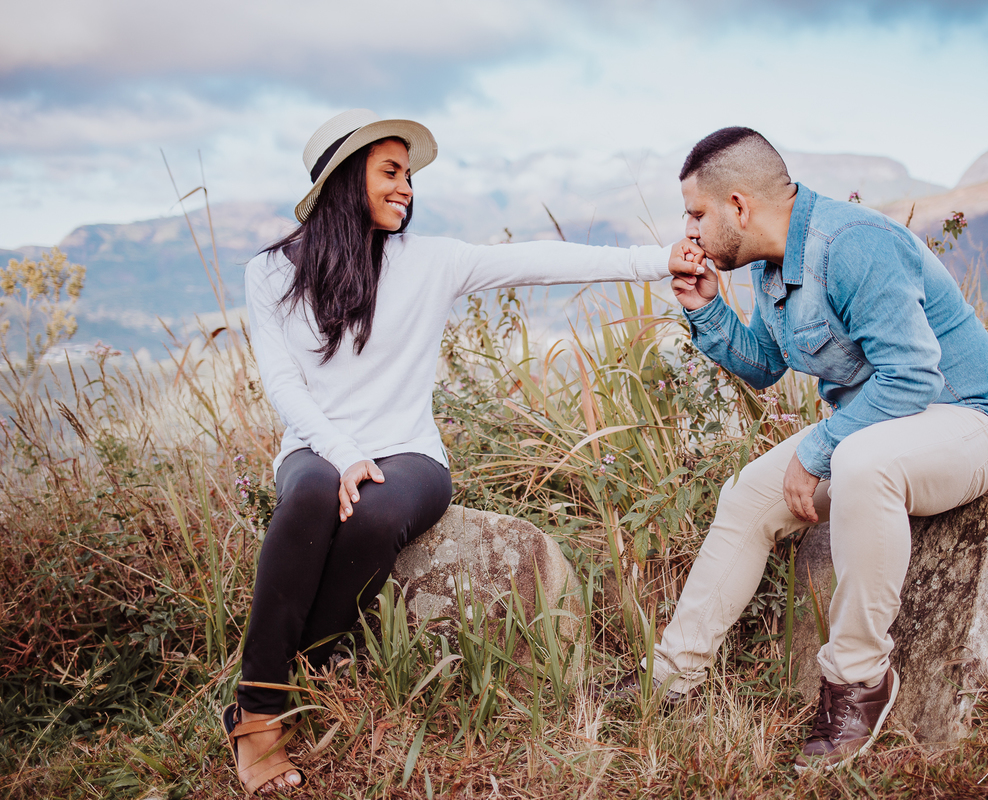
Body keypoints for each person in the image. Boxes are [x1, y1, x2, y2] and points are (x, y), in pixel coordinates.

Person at [226, 108, 698, 794]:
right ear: (341, 179)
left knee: (375, 518)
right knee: (306, 493)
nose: (406, 189)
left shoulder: (430, 261)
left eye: (409, 175)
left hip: (410, 454)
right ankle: (260, 713)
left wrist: (661, 260)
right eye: (390, 172)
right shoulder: (270, 273)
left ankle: (312, 667)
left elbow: (540, 261)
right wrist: (341, 453)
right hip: (316, 446)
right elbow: (281, 382)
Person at [624, 127, 988, 772]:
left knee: (860, 462)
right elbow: (763, 365)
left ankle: (859, 680)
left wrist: (819, 451)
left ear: (739, 205)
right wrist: (707, 311)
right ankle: (672, 678)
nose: (691, 231)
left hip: (971, 417)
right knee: (750, 494)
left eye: (697, 214)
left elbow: (914, 375)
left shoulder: (852, 245)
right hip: (885, 424)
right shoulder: (769, 262)